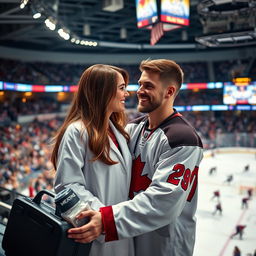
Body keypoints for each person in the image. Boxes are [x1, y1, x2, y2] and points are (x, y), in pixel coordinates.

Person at [67, 59, 204, 256]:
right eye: (139, 84)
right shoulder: (133, 129)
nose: (139, 91)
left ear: (170, 92)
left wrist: (106, 220)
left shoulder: (183, 139)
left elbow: (164, 202)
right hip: (130, 240)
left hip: (164, 246)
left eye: (148, 86)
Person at [51, 64, 134, 256]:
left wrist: (115, 219)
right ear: (103, 91)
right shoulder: (76, 131)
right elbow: (67, 186)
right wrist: (103, 217)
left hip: (119, 229)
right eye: (121, 88)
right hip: (96, 235)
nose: (127, 94)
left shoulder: (118, 131)